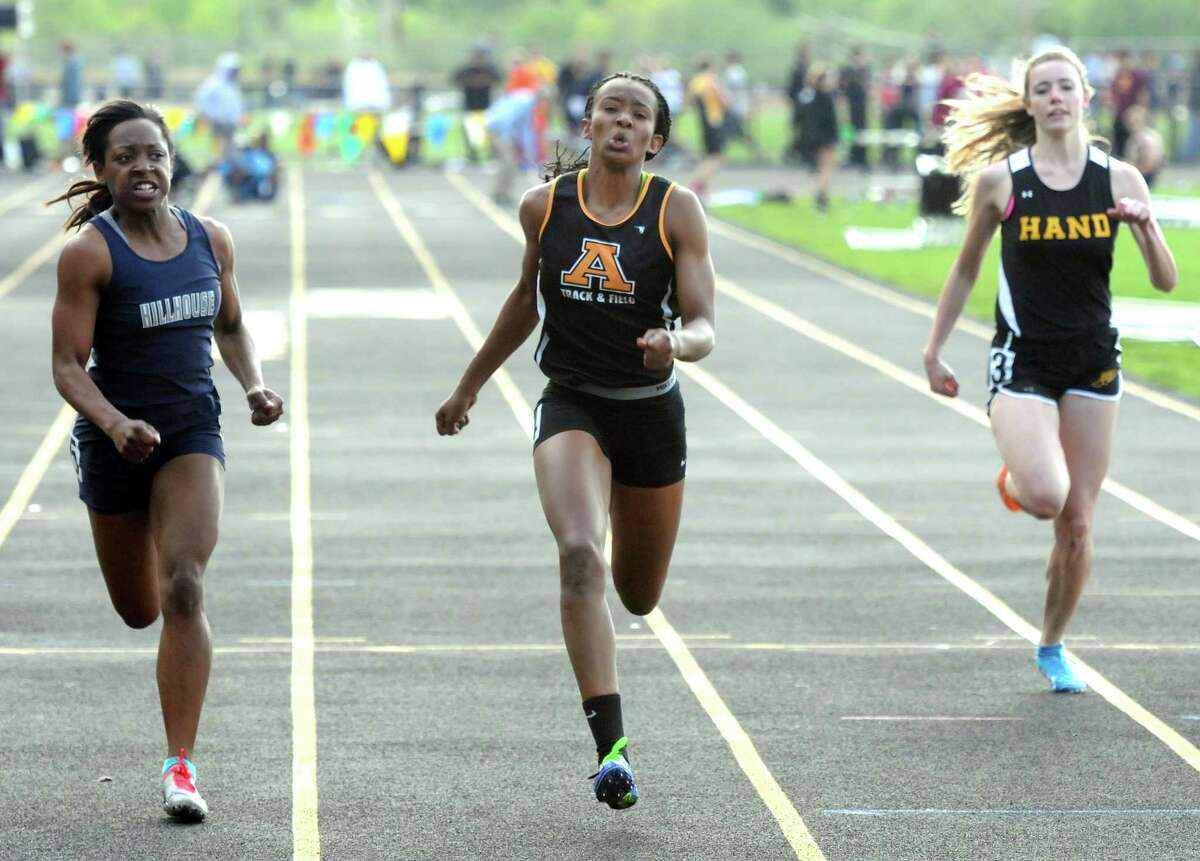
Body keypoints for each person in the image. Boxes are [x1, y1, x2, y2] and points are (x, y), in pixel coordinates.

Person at [436, 72, 715, 809]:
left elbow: (706, 322)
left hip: (650, 410)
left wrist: (676, 344)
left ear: (654, 140)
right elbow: (523, 304)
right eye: (610, 109)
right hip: (573, 404)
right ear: (588, 123)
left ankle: (628, 542)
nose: (621, 122)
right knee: (580, 553)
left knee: (639, 593)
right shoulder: (545, 206)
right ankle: (612, 749)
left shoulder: (675, 210)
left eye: (638, 115)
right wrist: (468, 385)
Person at [48, 100, 284, 821]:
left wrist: (254, 384)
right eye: (125, 157)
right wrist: (115, 425)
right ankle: (138, 521)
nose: (143, 167)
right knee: (138, 608)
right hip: (115, 441)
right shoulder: (90, 253)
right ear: (100, 169)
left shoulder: (211, 239)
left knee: (184, 586)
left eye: (154, 154)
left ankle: (180, 764)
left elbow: (233, 325)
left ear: (172, 161)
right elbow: (65, 365)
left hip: (189, 433)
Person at [921, 47, 1177, 693]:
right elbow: (967, 267)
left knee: (1079, 521)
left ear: (1086, 98)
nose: (1057, 97)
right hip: (1024, 358)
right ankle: (1020, 473)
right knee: (1044, 496)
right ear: (1030, 103)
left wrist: (1145, 229)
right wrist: (934, 348)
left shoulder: (1120, 179)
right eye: (1045, 88)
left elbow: (1165, 279)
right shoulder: (1002, 181)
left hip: (1092, 360)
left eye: (1067, 86)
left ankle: (1053, 642)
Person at [685, 59, 728, 200]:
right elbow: (724, 99)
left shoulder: (695, 81)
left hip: (702, 122)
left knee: (709, 155)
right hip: (714, 120)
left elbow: (689, 100)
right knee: (718, 156)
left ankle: (704, 188)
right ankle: (698, 183)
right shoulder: (711, 80)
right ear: (710, 67)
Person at [802, 64, 839, 211]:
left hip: (815, 138)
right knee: (826, 169)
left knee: (821, 168)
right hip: (826, 138)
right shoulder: (825, 97)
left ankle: (820, 195)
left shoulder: (811, 96)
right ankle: (822, 197)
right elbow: (831, 121)